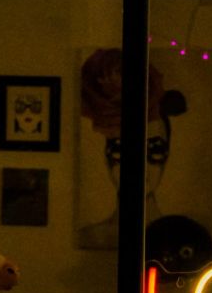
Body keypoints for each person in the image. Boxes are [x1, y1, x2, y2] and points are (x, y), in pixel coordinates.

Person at [78, 48, 187, 250]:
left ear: (167, 154)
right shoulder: (91, 235)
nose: (138, 167)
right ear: (105, 156)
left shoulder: (185, 239)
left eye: (153, 150)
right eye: (122, 151)